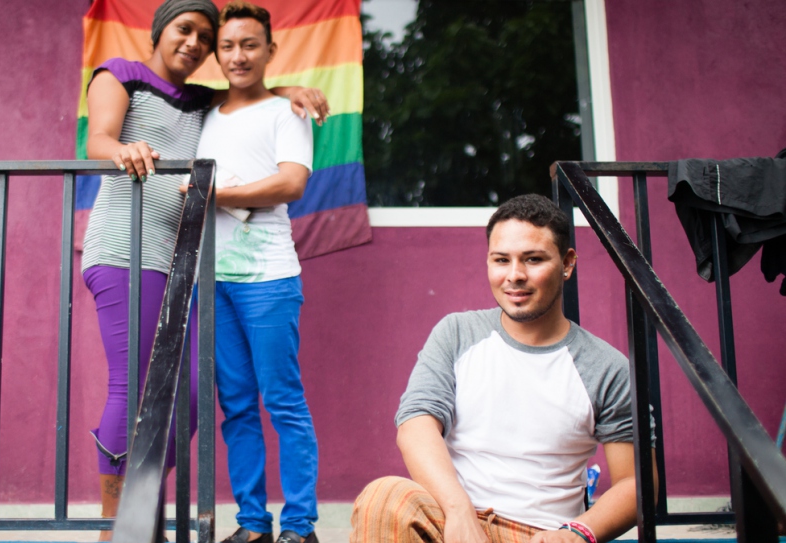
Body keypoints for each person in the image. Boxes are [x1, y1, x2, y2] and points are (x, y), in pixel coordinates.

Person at [80, 0, 329, 538]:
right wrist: (123, 149)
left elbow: (253, 108)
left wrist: (290, 93)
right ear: (158, 31)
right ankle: (119, 525)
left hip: (193, 269)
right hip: (128, 252)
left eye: (204, 36)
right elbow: (96, 140)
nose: (195, 43)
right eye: (184, 29)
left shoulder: (201, 101)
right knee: (139, 390)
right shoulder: (120, 74)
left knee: (194, 397)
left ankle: (143, 513)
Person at [350, 194, 657, 543]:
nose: (515, 275)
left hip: (541, 535)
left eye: (533, 259)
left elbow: (638, 483)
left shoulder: (607, 368)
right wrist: (458, 510)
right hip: (453, 522)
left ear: (567, 263)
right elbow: (415, 426)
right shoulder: (457, 333)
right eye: (501, 260)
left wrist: (575, 533)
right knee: (384, 497)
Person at [189, 3, 319, 543]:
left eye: (249, 44)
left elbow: (291, 184)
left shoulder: (286, 112)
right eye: (228, 46)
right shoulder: (204, 115)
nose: (238, 55)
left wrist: (214, 192)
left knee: (283, 401)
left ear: (270, 49)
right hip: (212, 280)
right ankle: (251, 525)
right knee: (236, 405)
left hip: (268, 279)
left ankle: (299, 526)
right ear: (216, 54)